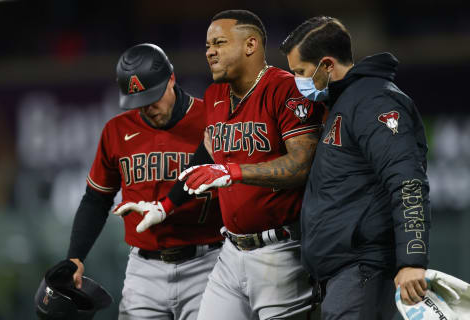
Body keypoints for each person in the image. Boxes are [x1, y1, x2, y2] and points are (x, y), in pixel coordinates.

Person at [132, 10, 326, 320]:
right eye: (208, 44)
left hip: (282, 251)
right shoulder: (215, 94)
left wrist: (233, 171)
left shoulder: (286, 88)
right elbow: (208, 154)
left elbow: (302, 164)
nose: (209, 51)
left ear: (250, 45)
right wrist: (166, 205)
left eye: (219, 42)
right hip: (230, 252)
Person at [279, 16, 431, 319]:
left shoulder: (373, 100)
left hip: (363, 271)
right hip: (344, 274)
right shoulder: (344, 104)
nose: (297, 81)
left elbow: (407, 179)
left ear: (327, 65)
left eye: (300, 72)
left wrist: (412, 258)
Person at [65, 43, 224, 320]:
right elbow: (96, 198)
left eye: (153, 97)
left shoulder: (210, 119)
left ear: (171, 79)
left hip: (208, 262)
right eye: (139, 102)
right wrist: (75, 256)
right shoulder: (116, 130)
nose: (148, 108)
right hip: (144, 269)